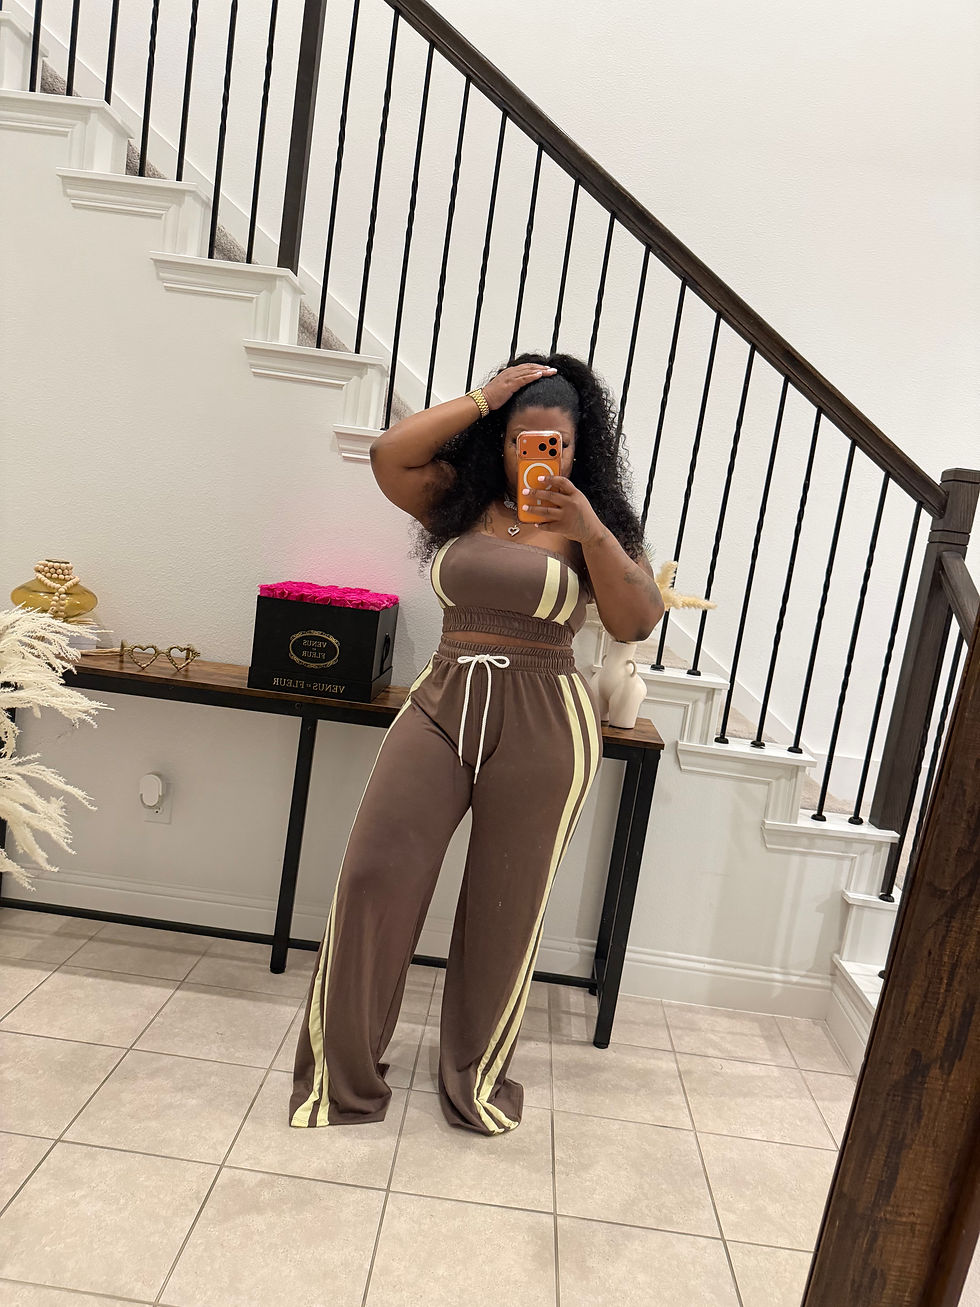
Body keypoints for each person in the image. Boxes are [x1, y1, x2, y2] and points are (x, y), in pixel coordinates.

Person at [289, 351, 665, 1136]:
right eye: (525, 440)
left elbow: (637, 619)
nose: (540, 457)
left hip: (545, 719)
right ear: (501, 438)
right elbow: (388, 455)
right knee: (373, 873)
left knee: (504, 905)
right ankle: (344, 1076)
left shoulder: (594, 524)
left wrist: (589, 527)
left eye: (558, 444)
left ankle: (473, 1075)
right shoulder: (460, 500)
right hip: (444, 699)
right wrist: (481, 397)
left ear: (580, 447)